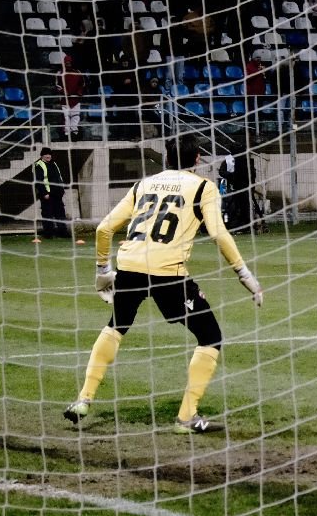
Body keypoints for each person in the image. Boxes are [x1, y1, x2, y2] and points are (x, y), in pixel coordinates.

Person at [63, 135, 263, 434]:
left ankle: (83, 399)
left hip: (129, 265)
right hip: (168, 272)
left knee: (116, 326)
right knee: (210, 336)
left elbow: (104, 228)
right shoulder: (203, 187)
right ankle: (186, 417)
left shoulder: (143, 184)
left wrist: (103, 269)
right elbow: (219, 234)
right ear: (197, 159)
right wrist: (244, 274)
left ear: (167, 158)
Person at [33, 147, 70, 239]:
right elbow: (39, 181)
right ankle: (48, 233)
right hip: (47, 194)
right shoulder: (38, 165)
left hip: (57, 193)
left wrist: (61, 190)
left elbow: (58, 177)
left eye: (49, 154)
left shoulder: (54, 163)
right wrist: (44, 193)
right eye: (46, 154)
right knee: (47, 214)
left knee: (60, 214)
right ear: (42, 155)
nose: (48, 156)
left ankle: (62, 232)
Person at [219, 148, 257, 232]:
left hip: (242, 187)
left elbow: (251, 175)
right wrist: (230, 175)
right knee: (233, 206)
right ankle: (234, 224)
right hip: (232, 187)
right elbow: (221, 172)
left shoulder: (245, 162)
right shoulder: (229, 161)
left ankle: (244, 224)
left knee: (243, 206)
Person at [57, 54, 86, 139]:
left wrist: (79, 91)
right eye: (66, 62)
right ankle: (66, 134)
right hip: (64, 100)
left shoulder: (77, 72)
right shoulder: (60, 73)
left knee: (75, 116)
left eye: (69, 62)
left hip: (75, 99)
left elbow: (82, 84)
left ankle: (74, 133)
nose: (68, 64)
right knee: (66, 117)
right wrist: (64, 91)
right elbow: (57, 85)